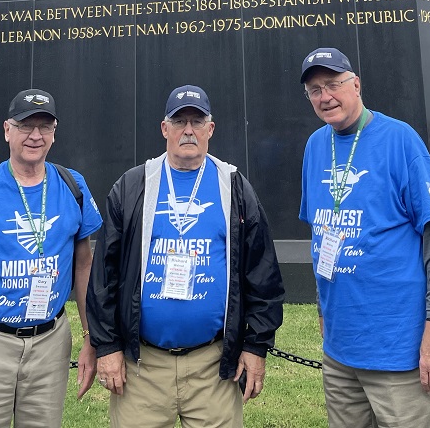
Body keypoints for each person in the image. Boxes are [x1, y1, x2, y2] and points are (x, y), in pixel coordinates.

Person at [87, 84, 284, 428]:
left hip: (213, 368)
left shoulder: (234, 187)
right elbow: (105, 276)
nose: (188, 130)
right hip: (143, 368)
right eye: (179, 122)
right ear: (165, 129)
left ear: (211, 129)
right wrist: (107, 348)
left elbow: (262, 272)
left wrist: (256, 347)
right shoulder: (133, 186)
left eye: (197, 121)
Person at [299, 47, 430, 428]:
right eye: (315, 89)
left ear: (356, 85)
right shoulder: (314, 146)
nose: (325, 96)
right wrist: (323, 310)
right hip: (340, 351)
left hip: (399, 351)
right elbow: (320, 234)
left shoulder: (400, 140)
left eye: (334, 84)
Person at [0, 89, 102, 427]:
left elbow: (84, 266)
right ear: (7, 130)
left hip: (50, 344)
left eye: (45, 126)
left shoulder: (74, 186)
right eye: (26, 126)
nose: (35, 136)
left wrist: (90, 337)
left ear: (54, 134)